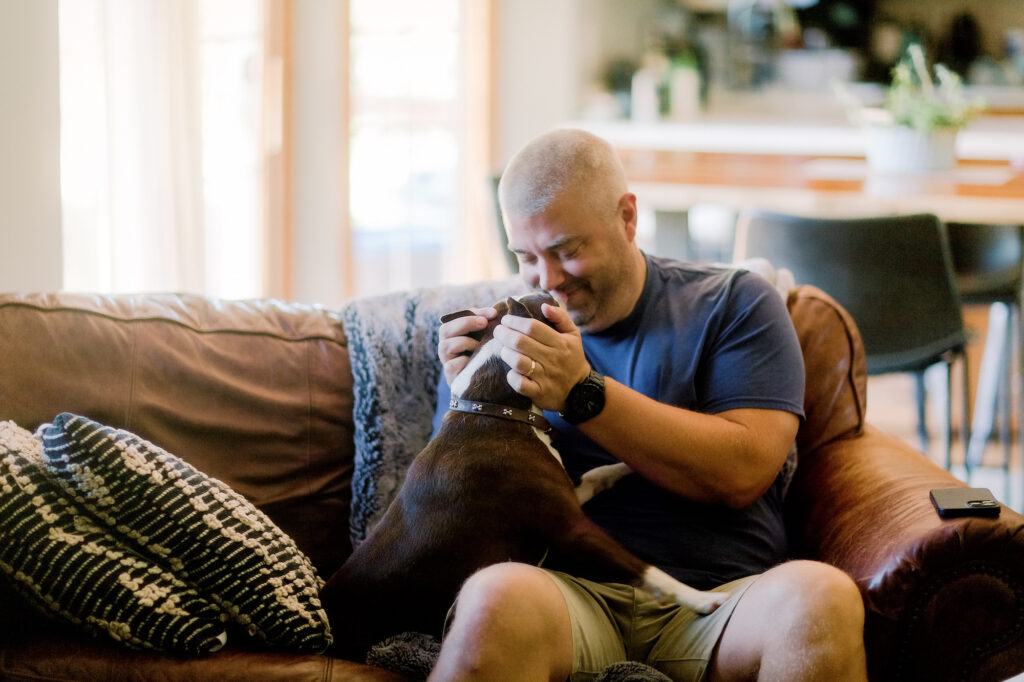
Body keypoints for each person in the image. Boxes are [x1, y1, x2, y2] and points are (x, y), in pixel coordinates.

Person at [429, 128, 867, 681]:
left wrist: (583, 393)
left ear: (627, 218)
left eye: (568, 250)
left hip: (724, 602)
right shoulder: (509, 339)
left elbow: (745, 469)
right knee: (491, 595)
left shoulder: (734, 303)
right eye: (527, 256)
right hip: (568, 597)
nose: (549, 279)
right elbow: (460, 521)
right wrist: (467, 406)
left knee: (821, 596)